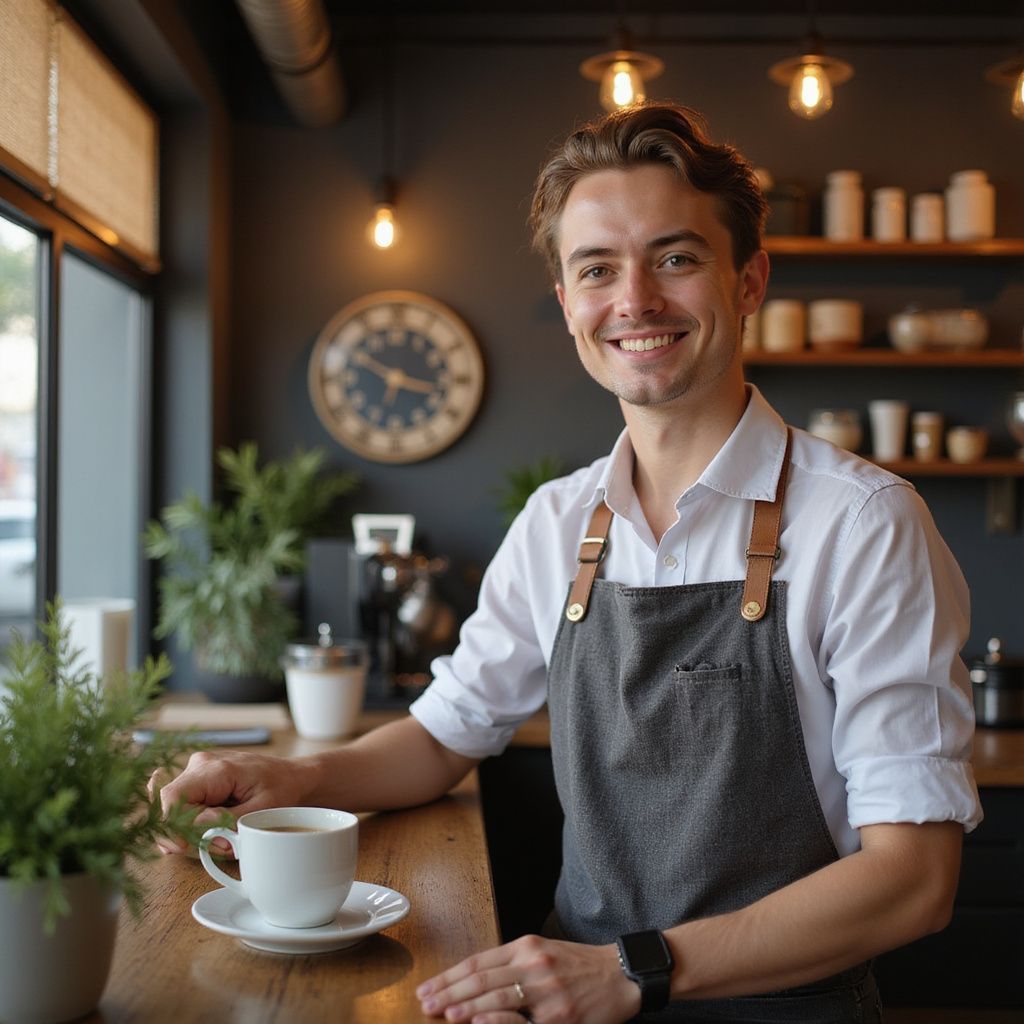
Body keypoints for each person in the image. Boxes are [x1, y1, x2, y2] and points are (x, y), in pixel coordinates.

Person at [153, 103, 982, 1023]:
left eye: (676, 258)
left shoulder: (864, 525)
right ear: (566, 304)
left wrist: (632, 971)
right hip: (572, 1001)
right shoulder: (558, 522)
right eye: (598, 269)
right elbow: (441, 737)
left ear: (748, 281)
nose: (635, 301)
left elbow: (913, 880)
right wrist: (294, 780)